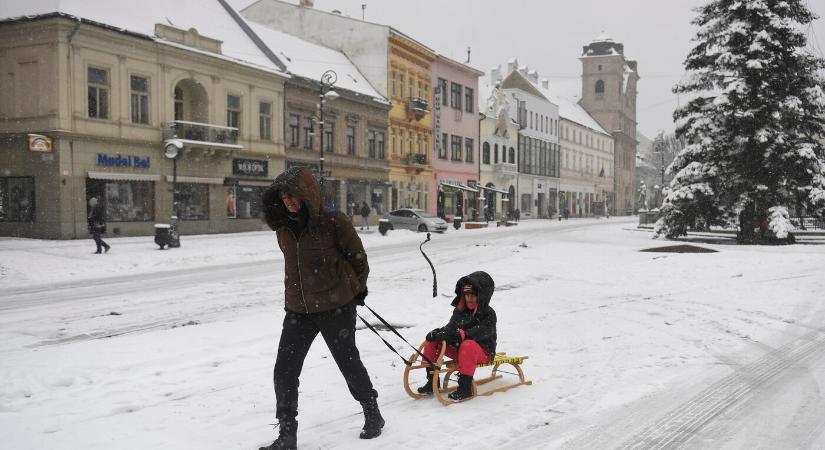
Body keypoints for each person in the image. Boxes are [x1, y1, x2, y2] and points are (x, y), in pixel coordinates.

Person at [259, 167, 382, 450]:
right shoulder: (284, 230)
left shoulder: (333, 222)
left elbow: (358, 259)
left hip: (335, 306)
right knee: (284, 371)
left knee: (348, 362)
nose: (289, 200)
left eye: (293, 194)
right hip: (298, 309)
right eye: (284, 196)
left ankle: (372, 410)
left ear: (307, 193)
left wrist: (356, 289)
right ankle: (287, 435)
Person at [417, 271, 496, 402]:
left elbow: (482, 331)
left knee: (468, 344)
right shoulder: (460, 311)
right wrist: (438, 333)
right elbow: (451, 327)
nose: (469, 299)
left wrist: (463, 334)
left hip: (483, 352)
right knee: (433, 342)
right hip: (461, 350)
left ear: (481, 296)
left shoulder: (488, 314)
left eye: (473, 296)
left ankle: (465, 388)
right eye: (466, 295)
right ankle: (432, 382)